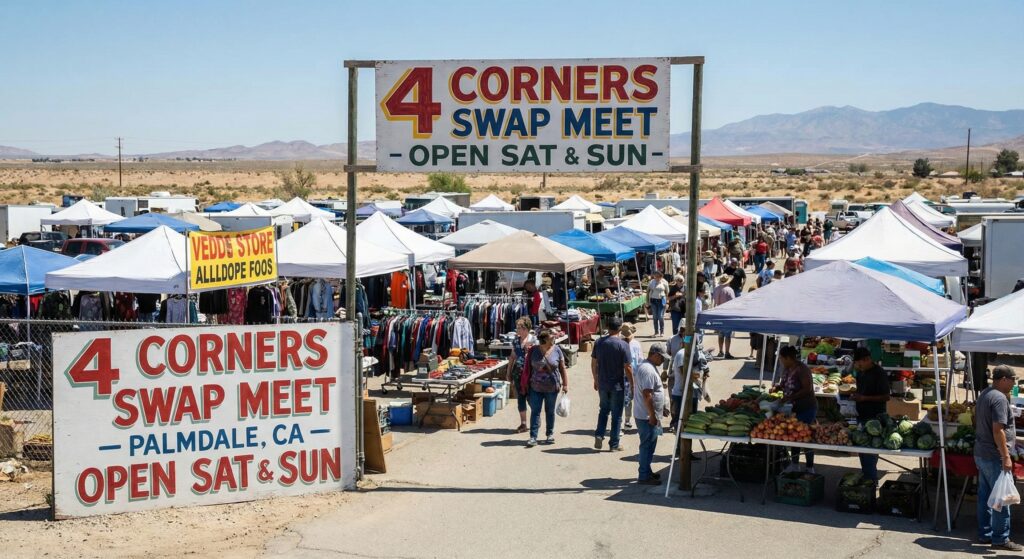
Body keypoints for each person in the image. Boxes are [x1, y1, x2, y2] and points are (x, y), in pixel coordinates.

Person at [974, 365, 1022, 551]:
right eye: (1012, 380)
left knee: (985, 496)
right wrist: (1006, 457)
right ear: (1003, 379)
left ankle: (985, 533)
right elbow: (998, 430)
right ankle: (1000, 538)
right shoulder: (1000, 399)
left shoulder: (985, 394)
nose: (1013, 384)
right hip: (994, 456)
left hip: (981, 453)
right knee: (1002, 498)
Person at [591, 317, 632, 451]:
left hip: (602, 383)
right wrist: (633, 384)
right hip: (617, 386)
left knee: (603, 410)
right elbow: (628, 367)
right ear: (620, 328)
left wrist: (595, 379)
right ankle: (614, 444)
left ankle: (599, 434)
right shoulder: (623, 345)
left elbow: (593, 363)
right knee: (617, 414)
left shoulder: (599, 342)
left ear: (608, 327)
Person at [775, 345, 817, 473]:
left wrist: (790, 397)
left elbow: (807, 389)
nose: (780, 360)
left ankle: (810, 466)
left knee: (806, 436)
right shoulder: (787, 369)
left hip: (806, 407)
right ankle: (794, 463)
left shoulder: (802, 369)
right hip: (793, 408)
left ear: (788, 358)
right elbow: (783, 384)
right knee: (794, 435)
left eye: (782, 358)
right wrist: (776, 388)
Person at [849, 348, 889, 482]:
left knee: (869, 450)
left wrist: (864, 398)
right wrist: (855, 396)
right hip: (862, 414)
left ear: (867, 359)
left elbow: (886, 397)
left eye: (859, 364)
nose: (858, 367)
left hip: (875, 416)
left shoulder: (879, 373)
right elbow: (861, 391)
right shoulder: (861, 373)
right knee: (863, 448)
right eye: (856, 364)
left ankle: (871, 480)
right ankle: (868, 477)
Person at [525, 329, 568, 448]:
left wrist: (565, 384)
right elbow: (527, 367)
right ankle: (533, 437)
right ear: (544, 340)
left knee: (550, 411)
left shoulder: (557, 350)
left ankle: (550, 434)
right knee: (535, 412)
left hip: (552, 387)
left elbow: (562, 368)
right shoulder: (533, 351)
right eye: (551, 337)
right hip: (535, 387)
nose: (554, 338)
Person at [633, 343, 668, 485]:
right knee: (647, 446)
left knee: (650, 445)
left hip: (648, 414)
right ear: (655, 355)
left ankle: (646, 471)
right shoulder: (648, 370)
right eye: (662, 357)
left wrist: (661, 409)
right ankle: (644, 476)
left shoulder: (649, 367)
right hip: (646, 416)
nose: (663, 361)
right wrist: (652, 416)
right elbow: (647, 395)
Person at [506, 317, 537, 434]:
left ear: (525, 329)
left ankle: (535, 419)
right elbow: (512, 356)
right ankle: (523, 423)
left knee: (532, 398)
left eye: (519, 328)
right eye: (517, 327)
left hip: (531, 374)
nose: (517, 330)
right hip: (518, 374)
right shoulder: (515, 341)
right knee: (521, 398)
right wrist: (508, 372)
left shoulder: (534, 340)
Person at [621, 322, 643, 430]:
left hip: (635, 375)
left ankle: (631, 420)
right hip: (622, 376)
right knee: (625, 400)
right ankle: (625, 421)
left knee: (636, 399)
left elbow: (640, 360)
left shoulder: (636, 344)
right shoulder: (619, 344)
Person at [711, 276, 735, 359]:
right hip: (727, 313)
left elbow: (714, 300)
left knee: (720, 334)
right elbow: (733, 302)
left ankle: (721, 351)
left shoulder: (716, 289)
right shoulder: (729, 290)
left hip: (718, 313)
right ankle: (727, 352)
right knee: (727, 335)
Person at [647, 271, 669, 337]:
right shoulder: (651, 282)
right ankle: (656, 332)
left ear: (661, 276)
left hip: (661, 300)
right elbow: (648, 291)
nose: (656, 278)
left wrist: (666, 301)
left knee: (660, 316)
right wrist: (647, 301)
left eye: (657, 276)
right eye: (655, 276)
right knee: (655, 317)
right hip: (653, 300)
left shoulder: (664, 282)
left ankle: (662, 331)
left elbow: (667, 292)